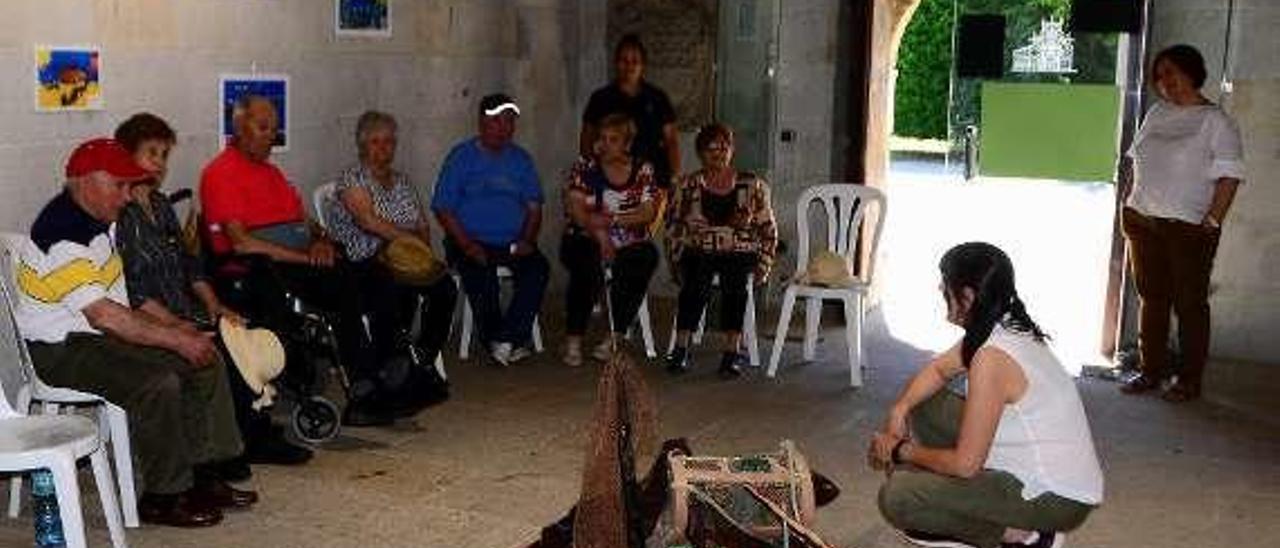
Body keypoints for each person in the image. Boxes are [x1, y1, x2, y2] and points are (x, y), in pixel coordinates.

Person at [14, 138, 256, 528]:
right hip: (61, 349)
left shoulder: (98, 221)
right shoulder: (61, 234)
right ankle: (165, 495)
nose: (128, 196)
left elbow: (123, 299)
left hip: (95, 333)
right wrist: (176, 339)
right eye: (120, 185)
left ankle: (206, 474)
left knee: (204, 358)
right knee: (159, 382)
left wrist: (177, 327)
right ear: (85, 181)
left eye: (131, 186)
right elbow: (106, 317)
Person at [112, 113, 312, 481]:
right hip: (148, 318)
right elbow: (130, 289)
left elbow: (190, 265)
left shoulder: (158, 205)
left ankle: (246, 435)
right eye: (151, 154)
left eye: (164, 155)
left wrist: (214, 304)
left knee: (241, 329)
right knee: (223, 347)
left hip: (182, 307)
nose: (159, 164)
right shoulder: (119, 214)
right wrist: (176, 325)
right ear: (127, 157)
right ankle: (241, 442)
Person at [870, 242, 1104, 548]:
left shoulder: (992, 358)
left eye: (946, 287)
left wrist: (901, 450)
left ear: (966, 297)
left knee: (899, 497)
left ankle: (1023, 536)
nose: (941, 289)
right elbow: (939, 371)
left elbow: (965, 465)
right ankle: (966, 497)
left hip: (1056, 498)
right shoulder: (1003, 325)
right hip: (1038, 469)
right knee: (924, 400)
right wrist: (899, 410)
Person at [199, 95, 388, 427]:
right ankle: (363, 387)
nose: (272, 135)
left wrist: (321, 240)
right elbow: (241, 243)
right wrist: (305, 256)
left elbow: (305, 220)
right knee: (343, 283)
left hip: (296, 257)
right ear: (240, 129)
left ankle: (388, 365)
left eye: (274, 128)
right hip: (258, 267)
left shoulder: (271, 172)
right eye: (263, 127)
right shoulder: (221, 173)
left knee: (374, 274)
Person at [1119, 44, 1245, 402]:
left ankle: (1189, 381)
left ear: (1192, 72)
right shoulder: (1157, 113)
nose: (1165, 83)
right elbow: (1135, 161)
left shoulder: (1216, 121)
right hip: (1142, 219)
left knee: (1189, 305)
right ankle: (1150, 370)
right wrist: (1127, 206)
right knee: (1151, 299)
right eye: (1159, 77)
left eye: (1171, 73)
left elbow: (1230, 176)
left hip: (1188, 226)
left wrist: (1213, 220)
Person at [326, 110, 457, 409]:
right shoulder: (352, 178)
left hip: (404, 258)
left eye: (388, 142)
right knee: (395, 289)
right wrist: (406, 241)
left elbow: (423, 224)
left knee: (445, 288)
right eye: (375, 142)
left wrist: (422, 254)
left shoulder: (402, 180)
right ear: (362, 146)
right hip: (365, 259)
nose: (383, 148)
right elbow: (367, 222)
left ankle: (422, 354)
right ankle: (393, 363)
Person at [432, 93, 550, 366]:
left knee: (538, 269)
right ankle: (503, 340)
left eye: (509, 121)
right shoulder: (461, 157)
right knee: (478, 274)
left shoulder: (521, 160)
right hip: (470, 240)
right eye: (497, 121)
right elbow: (443, 208)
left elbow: (534, 208)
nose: (504, 128)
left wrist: (527, 239)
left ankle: (505, 340)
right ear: (482, 122)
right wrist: (467, 244)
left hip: (512, 241)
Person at [663, 123, 777, 378]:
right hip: (699, 249)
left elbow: (768, 228)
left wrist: (764, 263)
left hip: (739, 250)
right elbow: (671, 227)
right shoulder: (687, 185)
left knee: (735, 281)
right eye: (711, 148)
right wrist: (676, 261)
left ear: (732, 150)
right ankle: (681, 348)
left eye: (724, 147)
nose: (718, 153)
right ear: (700, 153)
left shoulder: (751, 185)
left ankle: (732, 351)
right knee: (696, 280)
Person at [559, 113, 660, 367]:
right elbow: (578, 212)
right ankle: (573, 339)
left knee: (643, 259)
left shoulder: (642, 169)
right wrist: (603, 237)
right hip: (583, 235)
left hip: (628, 238)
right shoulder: (585, 168)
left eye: (613, 139)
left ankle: (614, 335)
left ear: (627, 144)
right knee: (587, 263)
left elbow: (647, 213)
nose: (605, 145)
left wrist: (612, 221)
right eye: (602, 139)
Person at [581, 34, 680, 190]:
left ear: (643, 65)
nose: (629, 66)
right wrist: (593, 172)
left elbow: (671, 141)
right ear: (616, 63)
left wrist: (674, 178)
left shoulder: (657, 98)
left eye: (635, 61)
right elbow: (587, 139)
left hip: (653, 177)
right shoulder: (601, 98)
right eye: (623, 60)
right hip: (611, 179)